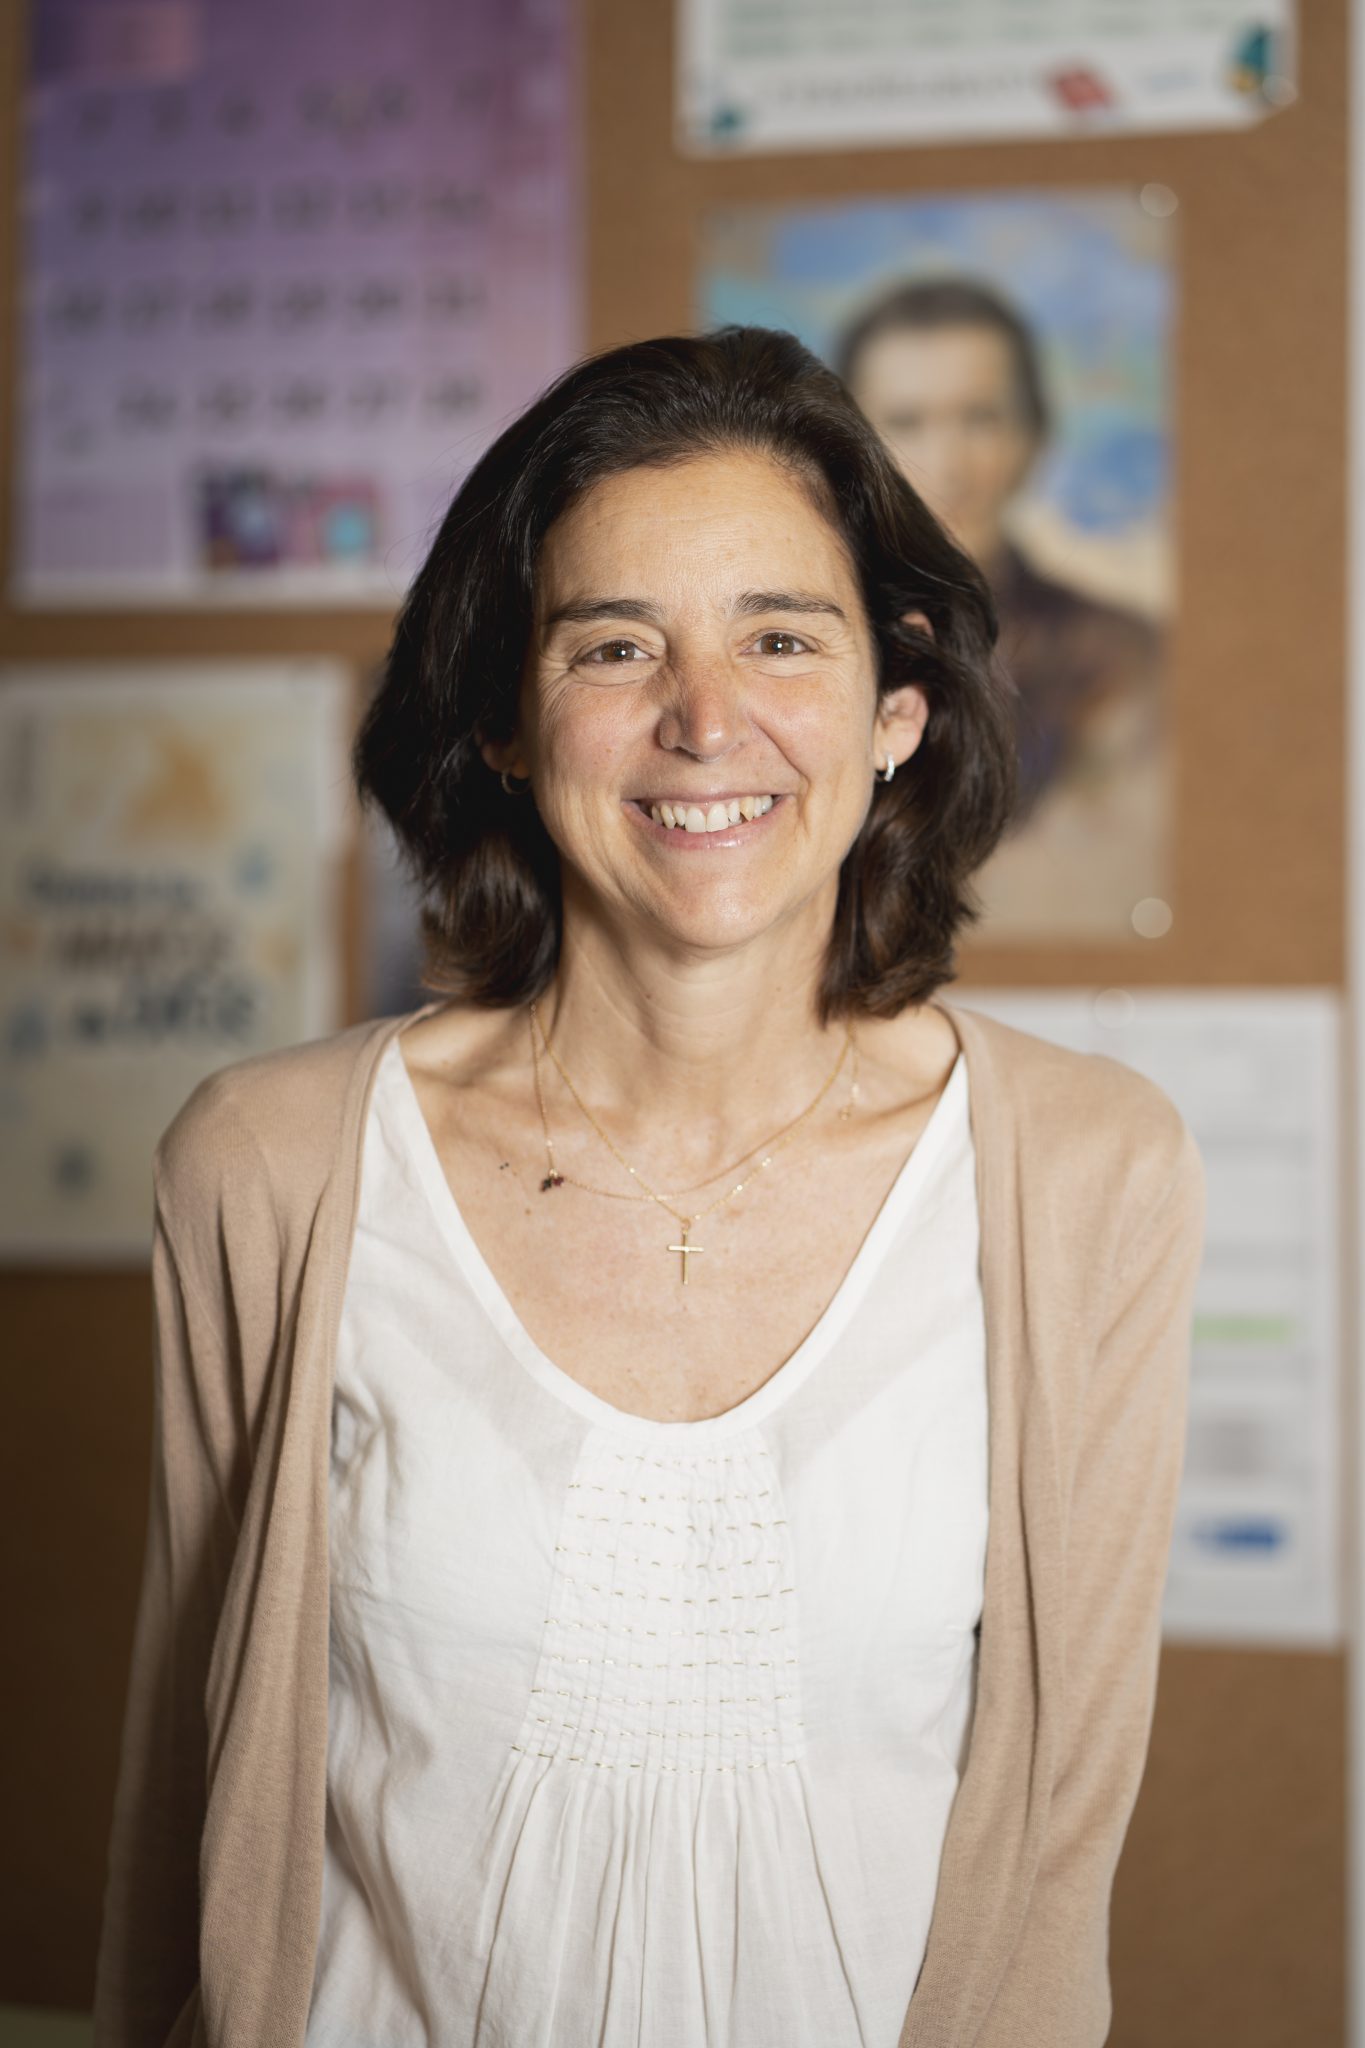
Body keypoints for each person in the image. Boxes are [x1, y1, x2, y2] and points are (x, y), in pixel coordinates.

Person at [93, 327, 1205, 2048]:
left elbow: (1060, 1848)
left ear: (896, 711)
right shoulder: (270, 1164)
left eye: (781, 636)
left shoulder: (1091, 1175)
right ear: (506, 723)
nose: (703, 719)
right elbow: (190, 1793)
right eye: (615, 645)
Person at [837, 279, 1166, 928]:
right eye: (906, 423)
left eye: (980, 419)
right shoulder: (800, 644)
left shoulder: (1118, 655)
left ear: (1033, 434)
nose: (949, 465)